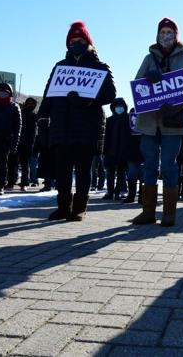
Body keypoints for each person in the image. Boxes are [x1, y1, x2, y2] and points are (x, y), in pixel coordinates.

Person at [41, 21, 117, 221]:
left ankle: (80, 207)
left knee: (84, 170)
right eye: (73, 40)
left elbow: (110, 94)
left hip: (87, 127)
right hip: (62, 126)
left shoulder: (100, 67)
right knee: (63, 171)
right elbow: (49, 93)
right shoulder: (60, 67)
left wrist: (90, 101)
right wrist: (43, 116)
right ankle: (63, 207)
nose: (76, 43)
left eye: (80, 40)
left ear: (88, 42)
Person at [131, 18, 183, 227]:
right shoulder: (148, 58)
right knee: (149, 165)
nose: (166, 36)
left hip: (174, 122)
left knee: (169, 166)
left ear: (176, 35)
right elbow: (138, 88)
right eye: (163, 32)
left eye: (170, 32)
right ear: (157, 35)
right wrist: (147, 80)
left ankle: (169, 213)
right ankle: (148, 212)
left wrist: (177, 105)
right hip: (149, 122)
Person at [102, 98, 132, 200]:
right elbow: (105, 137)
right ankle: (110, 192)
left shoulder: (129, 119)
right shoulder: (109, 120)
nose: (119, 108)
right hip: (111, 151)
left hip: (124, 151)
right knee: (110, 173)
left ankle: (117, 192)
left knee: (121, 173)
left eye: (121, 106)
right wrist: (104, 150)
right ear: (113, 108)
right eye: (116, 106)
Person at [11, 97, 39, 191]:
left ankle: (23, 183)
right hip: (18, 141)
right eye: (29, 103)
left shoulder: (34, 116)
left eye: (32, 104)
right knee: (14, 163)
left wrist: (32, 144)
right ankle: (13, 181)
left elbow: (33, 132)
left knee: (24, 164)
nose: (30, 105)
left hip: (26, 143)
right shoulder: (21, 113)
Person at [121, 108, 143, 204]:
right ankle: (138, 196)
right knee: (136, 175)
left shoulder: (128, 121)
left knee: (134, 175)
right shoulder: (144, 120)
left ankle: (133, 196)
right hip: (138, 152)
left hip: (136, 152)